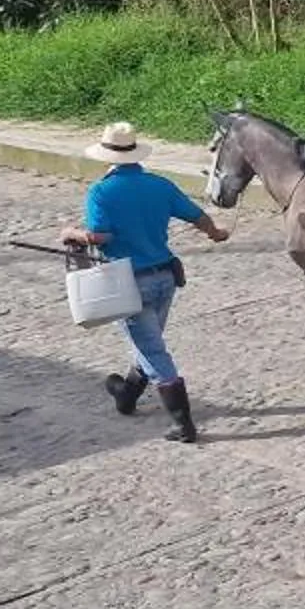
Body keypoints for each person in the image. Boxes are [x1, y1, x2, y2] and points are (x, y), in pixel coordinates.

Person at [60, 121, 227, 443]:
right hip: (165, 276)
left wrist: (71, 233)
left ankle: (183, 423)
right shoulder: (160, 185)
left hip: (128, 281)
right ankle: (126, 394)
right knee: (149, 341)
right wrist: (216, 233)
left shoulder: (101, 191)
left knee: (152, 348)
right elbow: (197, 217)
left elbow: (99, 235)